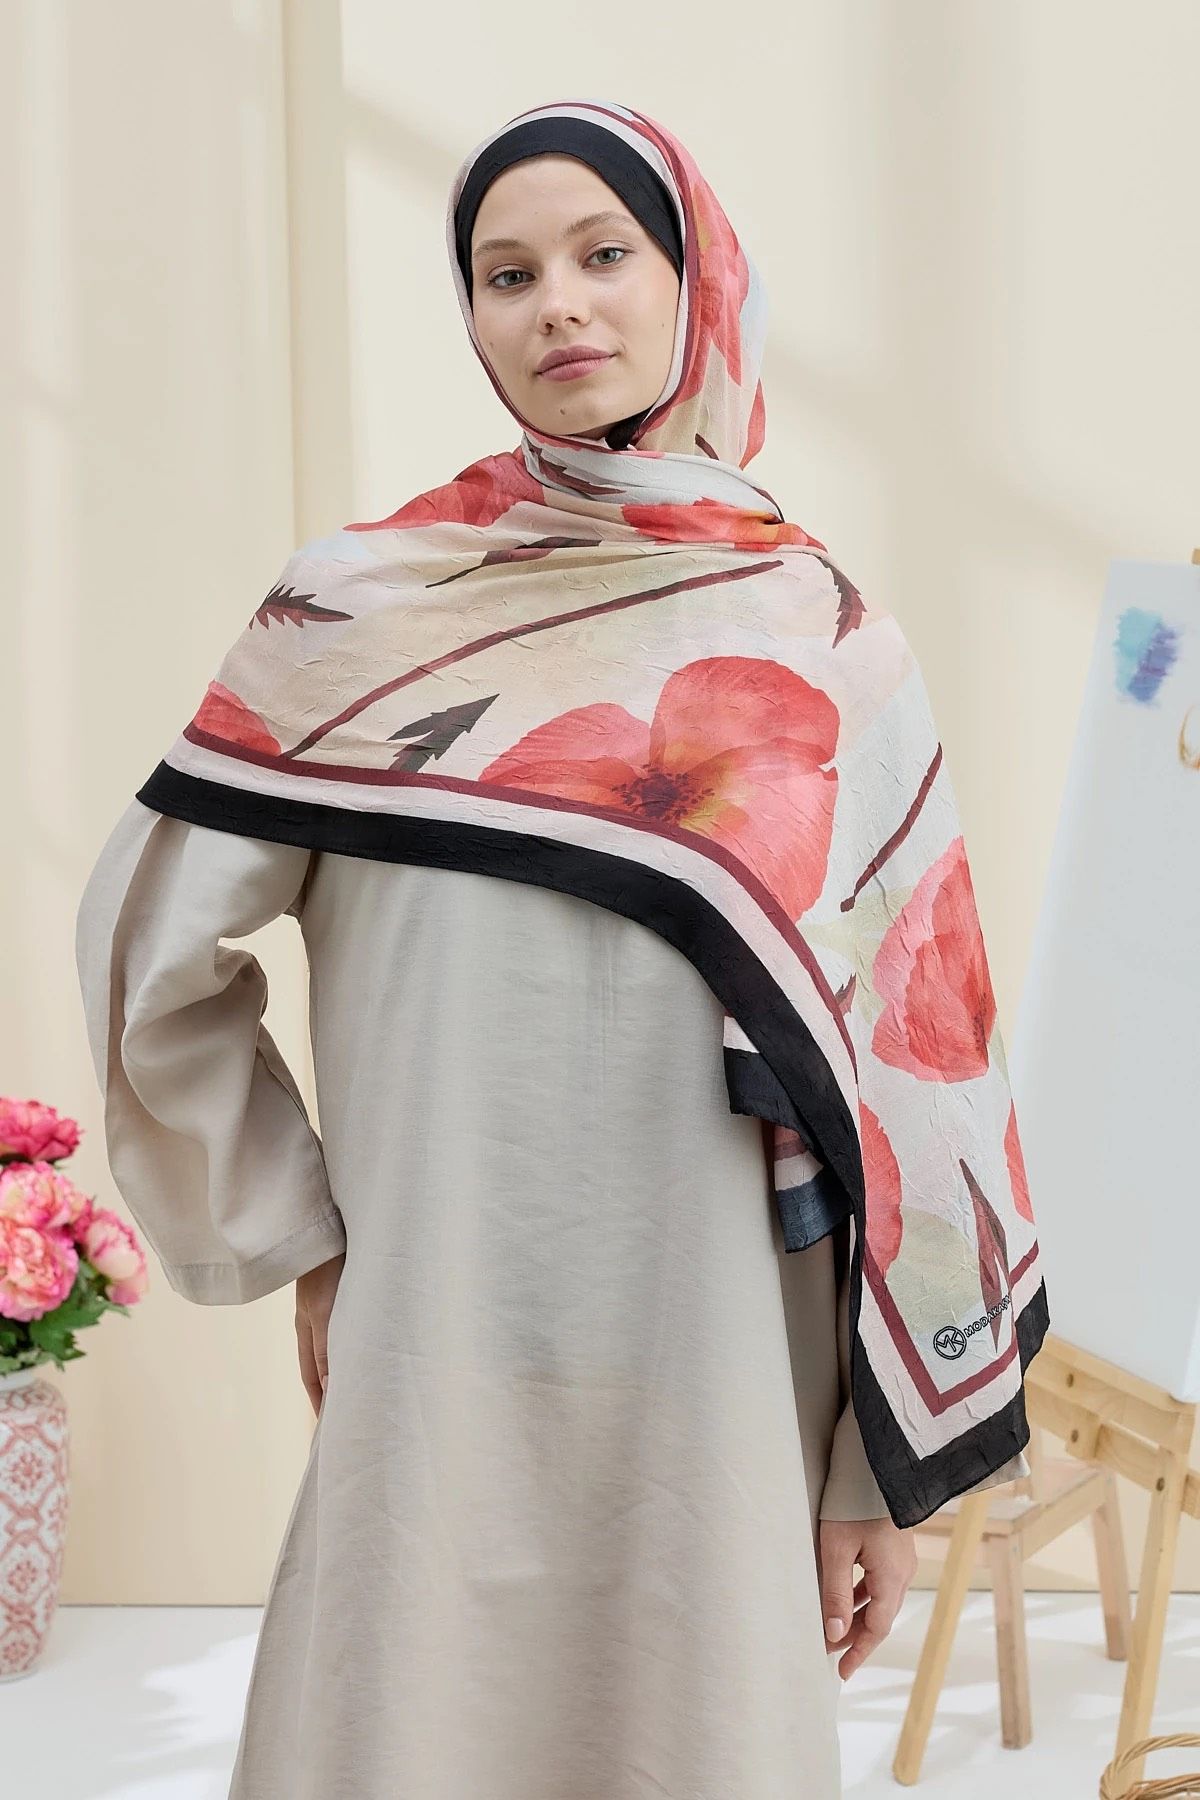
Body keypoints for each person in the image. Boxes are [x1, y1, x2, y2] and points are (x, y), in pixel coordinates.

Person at [75, 98, 1042, 1800]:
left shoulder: (817, 637)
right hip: (436, 1322)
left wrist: (856, 1472)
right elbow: (153, 953)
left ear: (694, 279)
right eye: (507, 273)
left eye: (605, 255)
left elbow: (905, 1087)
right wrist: (298, 1237)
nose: (559, 307)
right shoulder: (358, 617)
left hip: (722, 1359)